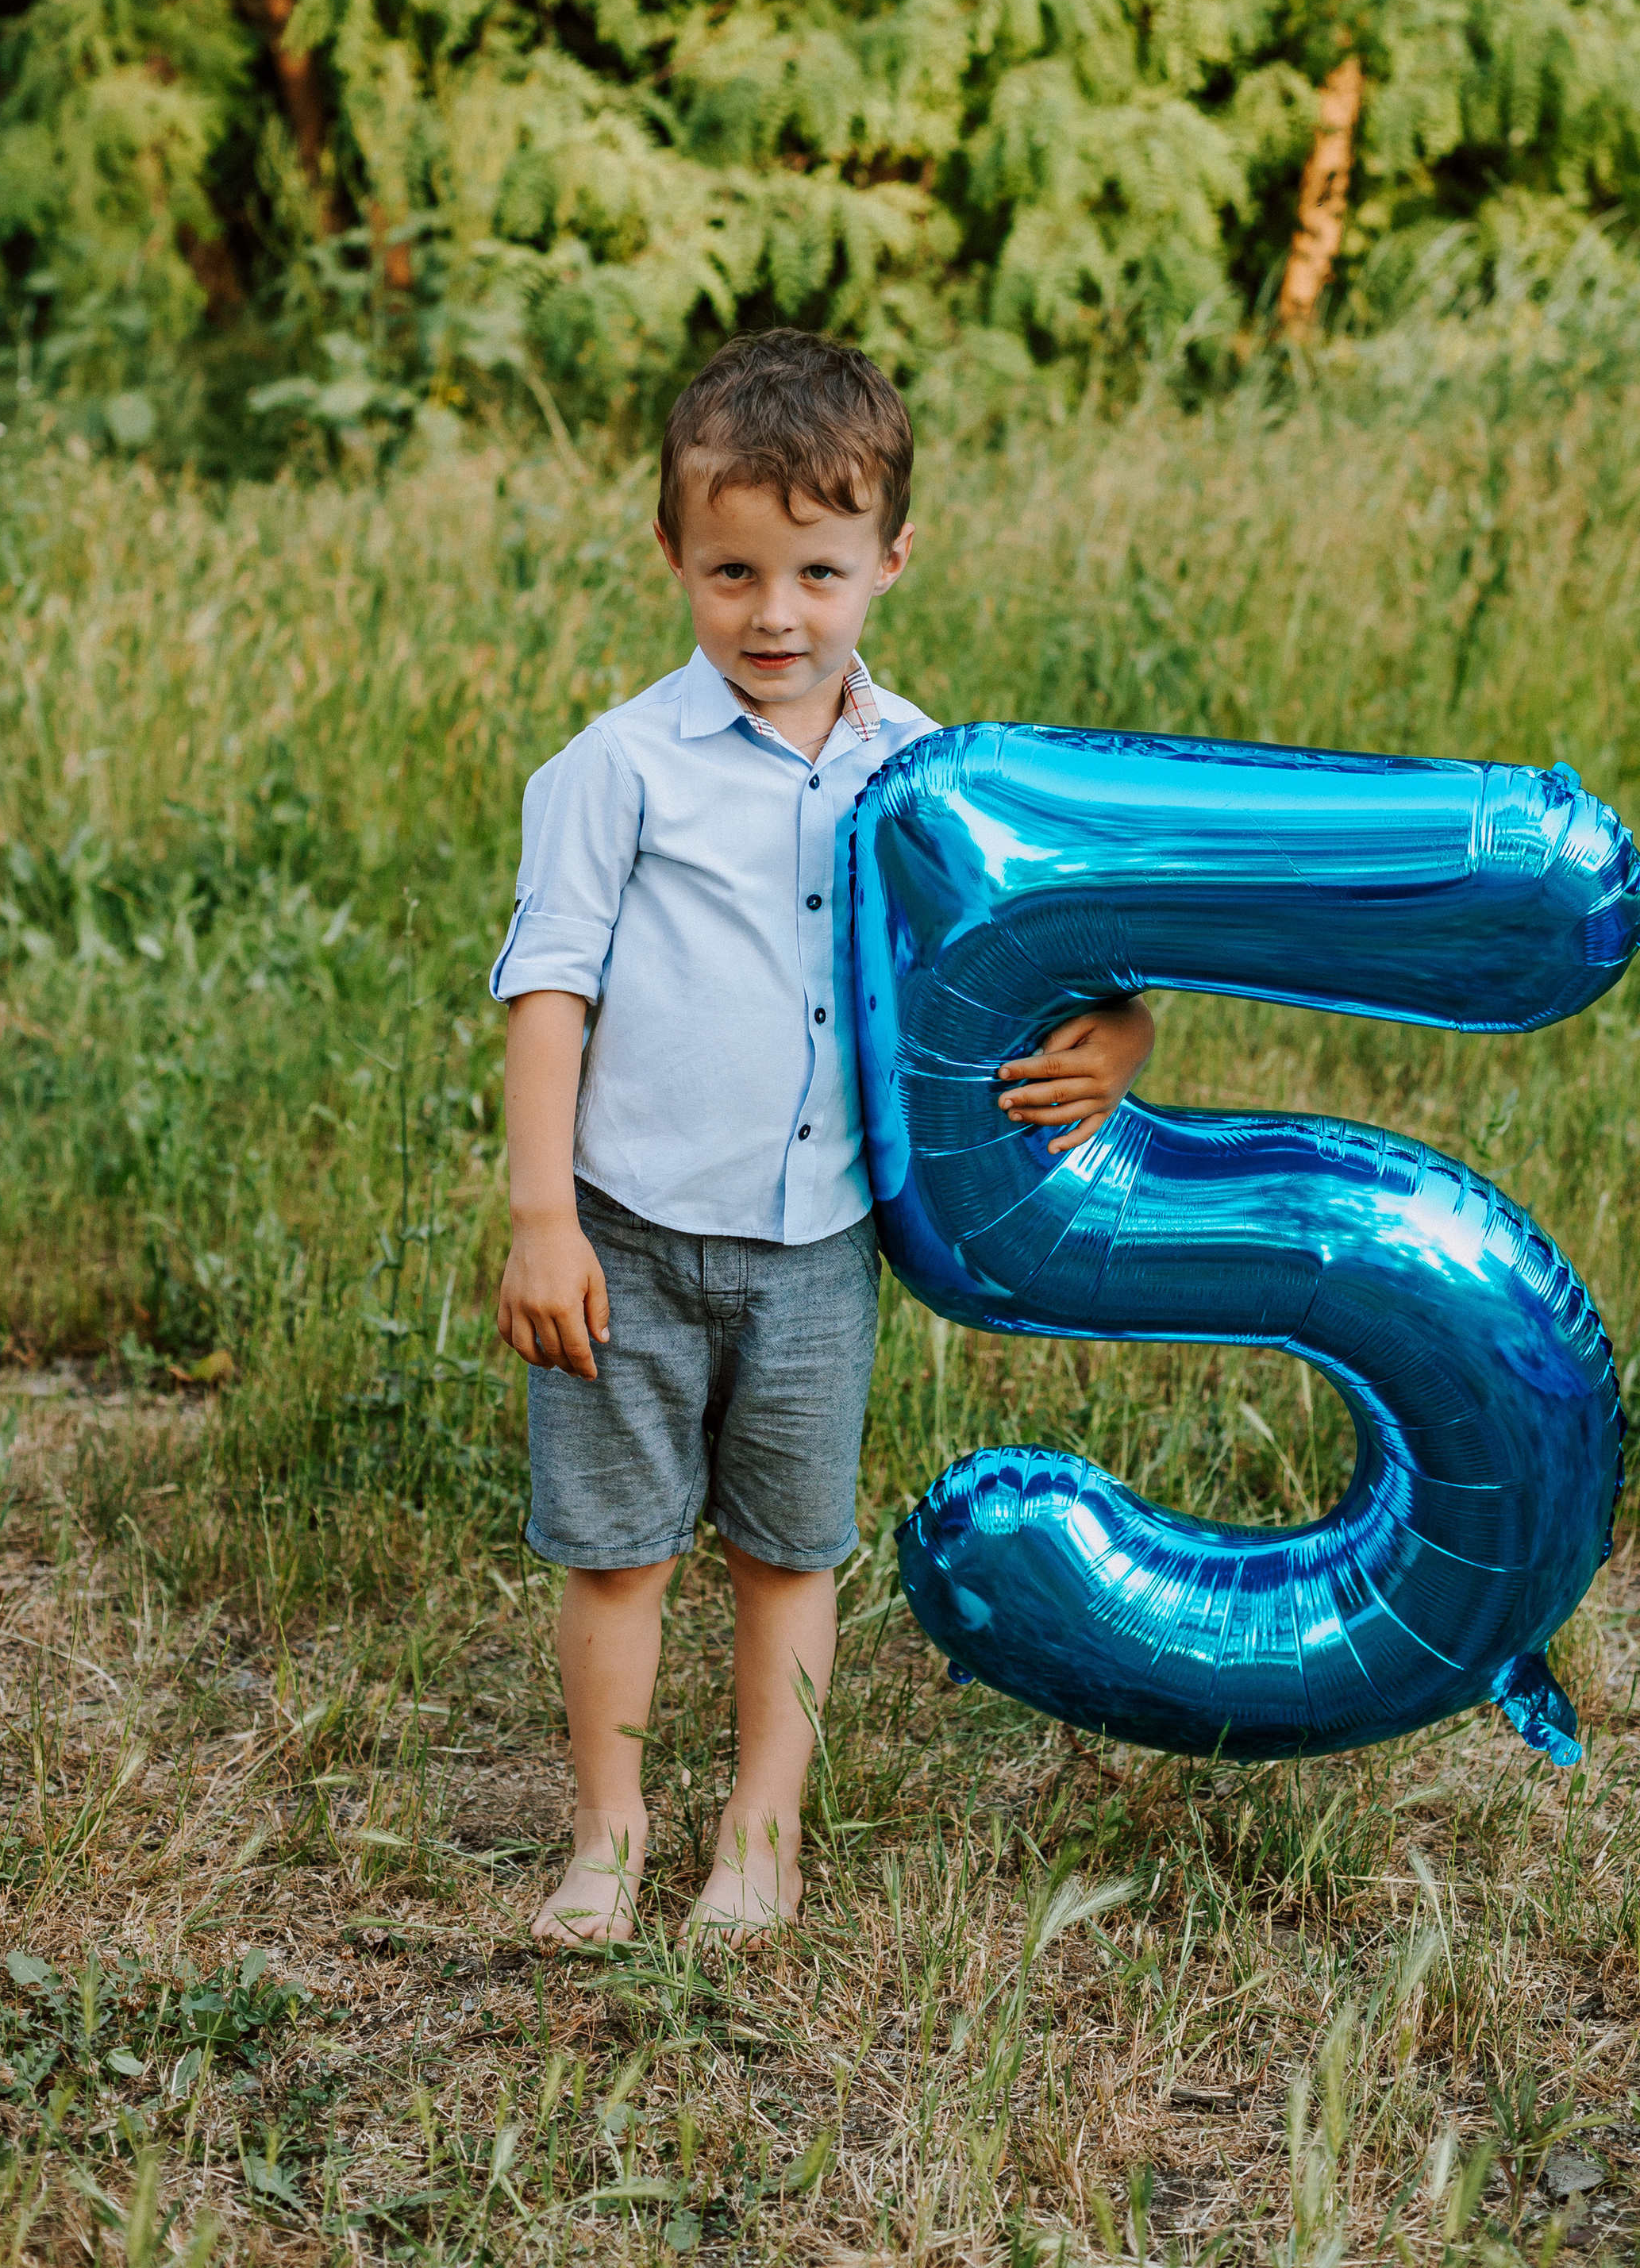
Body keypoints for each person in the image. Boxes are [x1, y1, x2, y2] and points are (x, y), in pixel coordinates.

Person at [491, 330, 1155, 1946]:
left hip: (813, 1249)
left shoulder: (925, 776)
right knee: (617, 1552)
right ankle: (605, 1834)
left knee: (788, 1551)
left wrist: (1119, 1034)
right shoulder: (616, 770)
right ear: (671, 553)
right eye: (729, 572)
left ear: (888, 562)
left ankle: (758, 1833)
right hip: (628, 1234)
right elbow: (549, 986)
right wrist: (539, 1220)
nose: (771, 616)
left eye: (814, 571)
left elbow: (1037, 946)